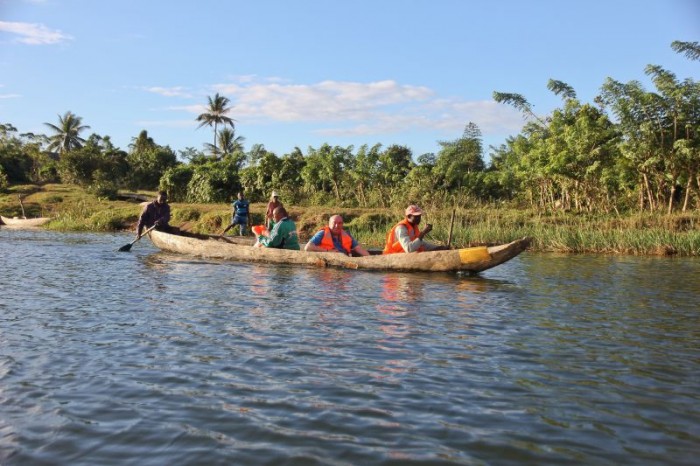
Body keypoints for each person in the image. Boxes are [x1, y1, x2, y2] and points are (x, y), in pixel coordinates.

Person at [304, 215, 370, 256]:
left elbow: (358, 249)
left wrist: (370, 258)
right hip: (329, 266)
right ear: (329, 224)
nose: (337, 226)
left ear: (342, 224)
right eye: (334, 223)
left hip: (345, 262)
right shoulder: (322, 233)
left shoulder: (347, 234)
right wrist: (327, 251)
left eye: (339, 223)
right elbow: (307, 247)